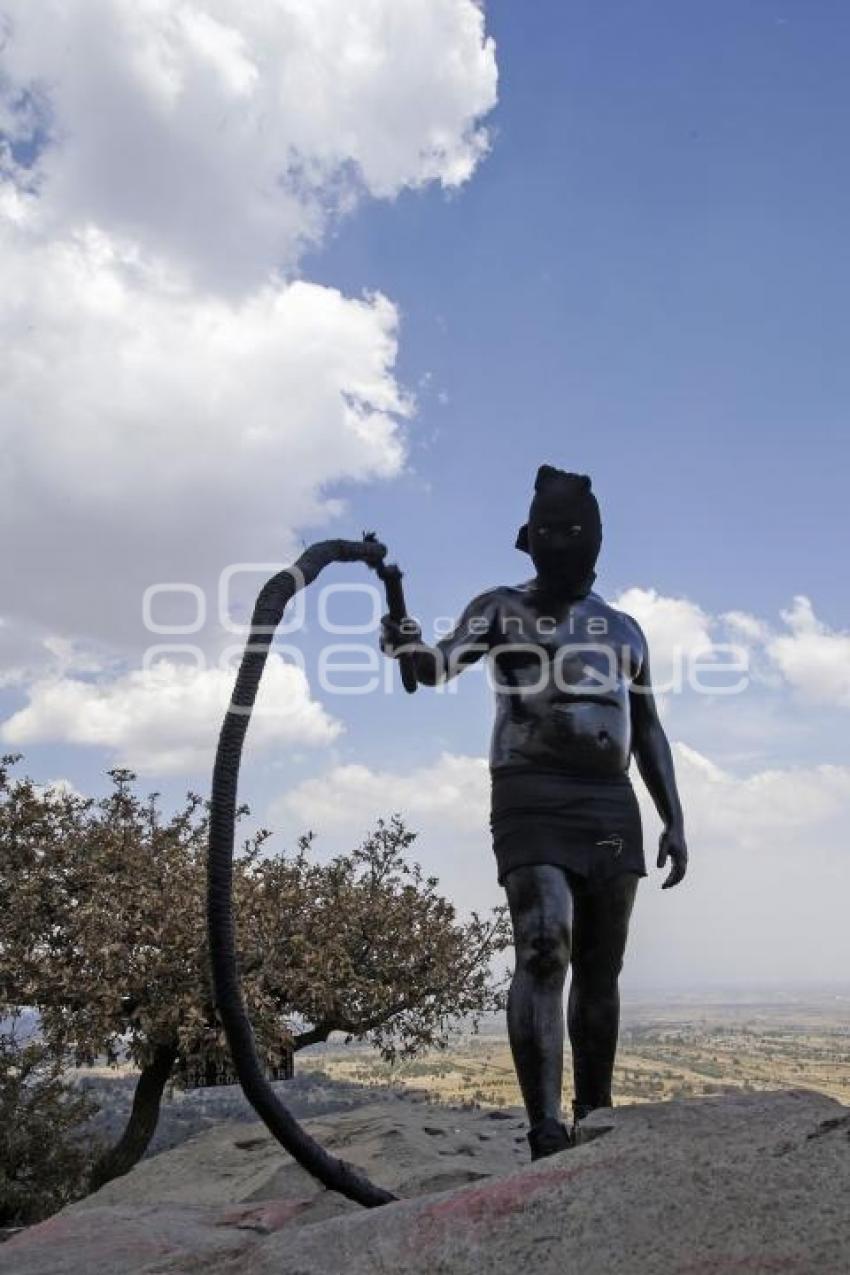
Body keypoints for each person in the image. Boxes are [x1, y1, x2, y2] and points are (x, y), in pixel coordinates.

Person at [380, 465, 688, 1160]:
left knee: (601, 966)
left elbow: (649, 728)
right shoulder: (499, 608)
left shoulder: (626, 629)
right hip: (530, 790)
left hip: (611, 804)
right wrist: (405, 640)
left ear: (596, 539)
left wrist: (674, 816)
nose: (562, 540)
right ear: (530, 538)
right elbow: (434, 667)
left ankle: (596, 1113)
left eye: (574, 530)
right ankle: (545, 1130)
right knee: (546, 944)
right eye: (549, 529)